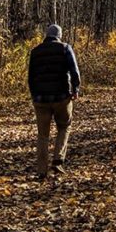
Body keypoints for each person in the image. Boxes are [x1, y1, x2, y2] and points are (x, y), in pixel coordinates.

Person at [28, 24, 81, 179]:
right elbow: (74, 71)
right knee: (64, 126)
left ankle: (41, 171)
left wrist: (34, 95)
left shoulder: (35, 52)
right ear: (59, 35)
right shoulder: (65, 48)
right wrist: (75, 89)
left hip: (40, 100)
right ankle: (58, 159)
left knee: (43, 135)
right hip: (61, 98)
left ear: (46, 34)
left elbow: (31, 77)